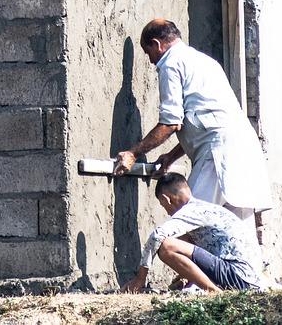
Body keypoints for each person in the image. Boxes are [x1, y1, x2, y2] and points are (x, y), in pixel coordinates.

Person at [113, 19, 272, 232]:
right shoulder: (205, 61)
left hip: (218, 154)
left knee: (187, 227)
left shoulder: (170, 63)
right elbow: (205, 118)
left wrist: (133, 153)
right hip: (242, 150)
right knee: (238, 240)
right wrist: (171, 156)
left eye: (148, 52)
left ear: (156, 44)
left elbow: (171, 122)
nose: (150, 61)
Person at [122, 172, 265, 292]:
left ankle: (214, 292)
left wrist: (140, 279)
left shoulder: (190, 212)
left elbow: (157, 236)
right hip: (249, 278)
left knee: (167, 246)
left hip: (238, 275)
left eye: (163, 204)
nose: (166, 210)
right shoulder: (205, 208)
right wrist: (189, 276)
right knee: (182, 237)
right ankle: (202, 286)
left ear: (167, 199)